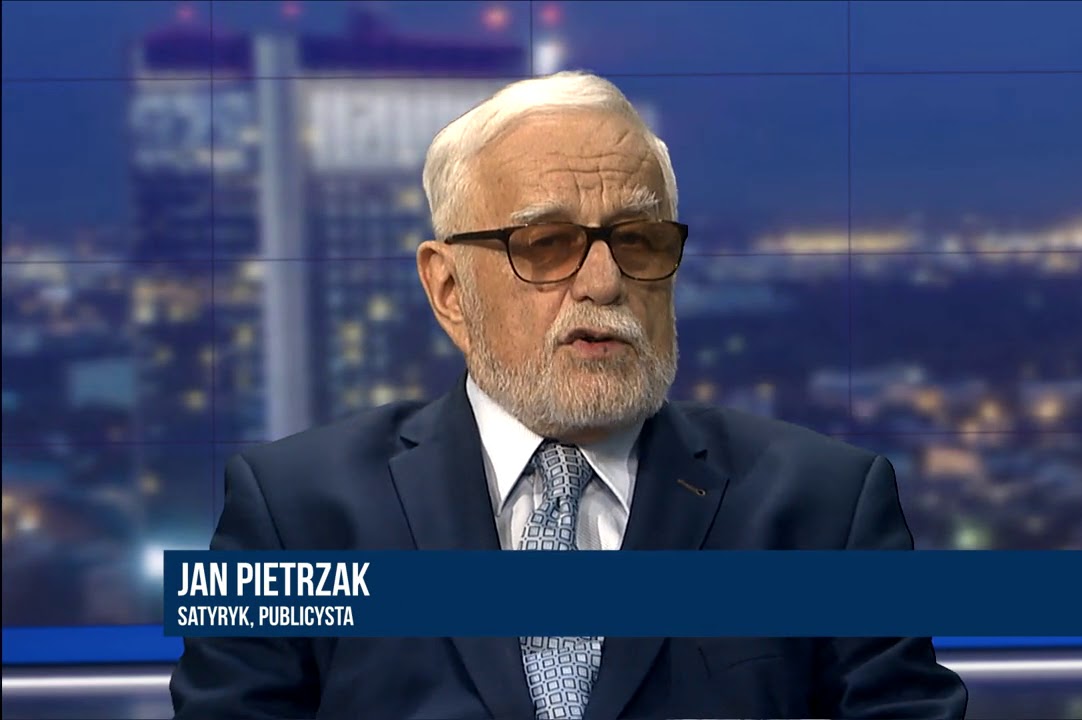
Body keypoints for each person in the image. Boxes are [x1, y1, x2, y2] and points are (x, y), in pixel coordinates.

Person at [171, 70, 968, 720]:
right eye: (546, 244)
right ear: (448, 290)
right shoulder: (294, 514)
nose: (604, 281)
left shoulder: (826, 509)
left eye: (638, 239)